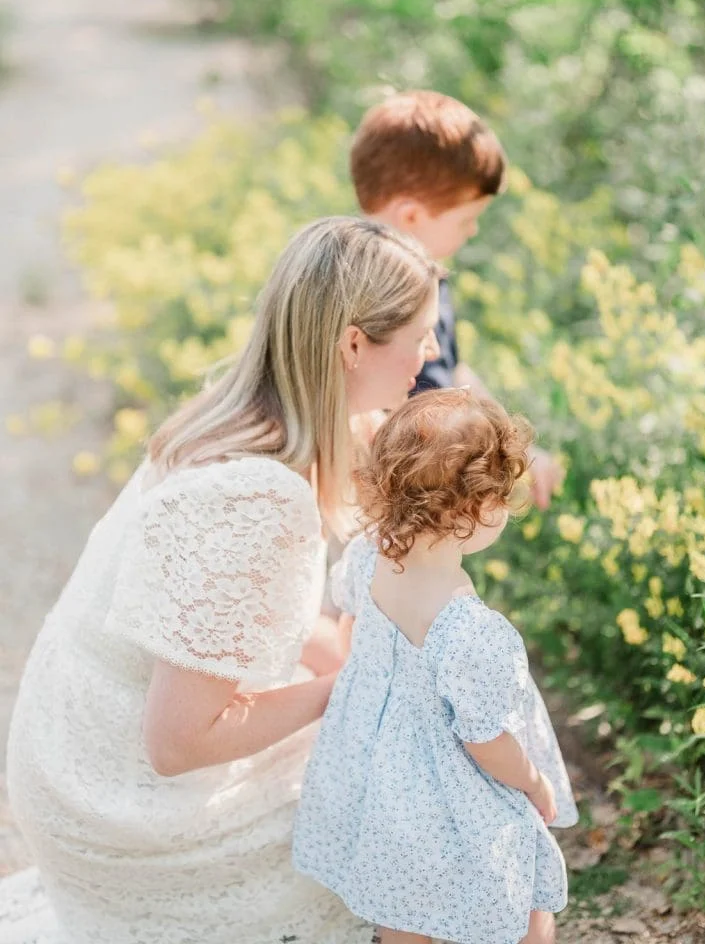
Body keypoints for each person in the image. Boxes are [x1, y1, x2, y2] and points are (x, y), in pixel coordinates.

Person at [2, 217, 442, 944]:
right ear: (354, 343)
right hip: (117, 803)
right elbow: (178, 743)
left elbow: (249, 626)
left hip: (76, 747)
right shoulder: (255, 500)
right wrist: (350, 688)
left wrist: (386, 670)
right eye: (421, 333)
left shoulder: (243, 421)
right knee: (415, 825)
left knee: (399, 757)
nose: (432, 351)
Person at [293, 389, 578, 944]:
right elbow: (483, 739)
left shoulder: (367, 556)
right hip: (451, 787)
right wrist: (534, 781)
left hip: (380, 774)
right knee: (525, 889)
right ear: (476, 510)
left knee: (402, 894)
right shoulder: (472, 631)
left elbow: (352, 632)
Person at [350, 89, 562, 510]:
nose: (473, 232)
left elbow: (451, 371)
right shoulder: (367, 289)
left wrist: (513, 444)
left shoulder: (430, 277)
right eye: (467, 219)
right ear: (411, 216)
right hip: (389, 488)